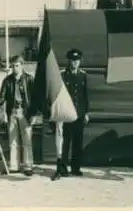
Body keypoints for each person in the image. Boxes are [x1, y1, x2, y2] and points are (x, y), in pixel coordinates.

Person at [0, 55, 36, 176]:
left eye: (17, 65)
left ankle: (28, 165)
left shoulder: (29, 79)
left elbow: (35, 99)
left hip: (25, 112)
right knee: (13, 140)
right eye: (13, 66)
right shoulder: (7, 81)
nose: (15, 68)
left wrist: (34, 114)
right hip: (12, 112)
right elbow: (2, 97)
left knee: (27, 139)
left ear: (22, 66)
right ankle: (14, 165)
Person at [52, 49, 89, 180]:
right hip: (67, 113)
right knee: (65, 142)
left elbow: (85, 95)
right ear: (69, 61)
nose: (75, 63)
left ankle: (76, 167)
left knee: (78, 142)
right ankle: (62, 168)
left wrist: (86, 113)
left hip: (79, 113)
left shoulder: (83, 75)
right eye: (73, 61)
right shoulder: (63, 75)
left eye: (77, 61)